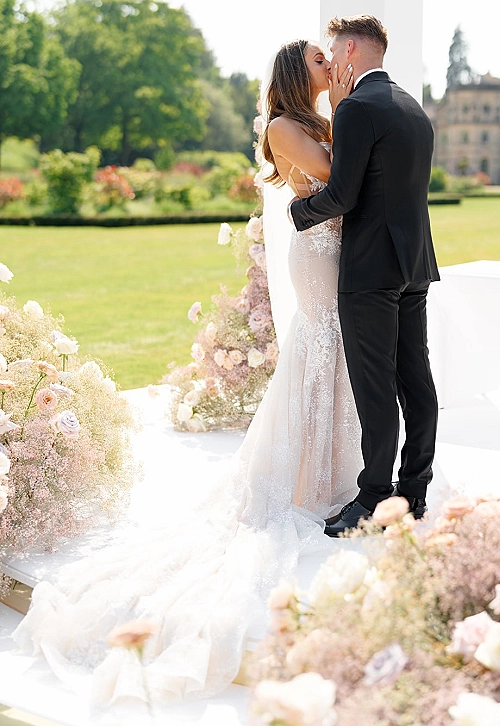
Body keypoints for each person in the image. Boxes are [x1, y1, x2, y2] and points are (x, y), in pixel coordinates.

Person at [12, 39, 363, 707]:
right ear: (298, 72)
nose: (329, 63)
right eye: (320, 57)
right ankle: (305, 481)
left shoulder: (316, 117)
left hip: (338, 253)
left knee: (334, 359)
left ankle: (330, 470)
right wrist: (349, 105)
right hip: (319, 260)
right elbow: (338, 175)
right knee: (319, 350)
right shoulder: (290, 126)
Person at [290, 15, 440, 537]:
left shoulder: (356, 107)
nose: (332, 60)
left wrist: (297, 213)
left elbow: (342, 196)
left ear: (351, 47)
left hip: (370, 270)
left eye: (335, 49)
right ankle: (414, 491)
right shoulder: (413, 108)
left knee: (374, 388)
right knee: (415, 380)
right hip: (414, 264)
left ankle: (375, 496)